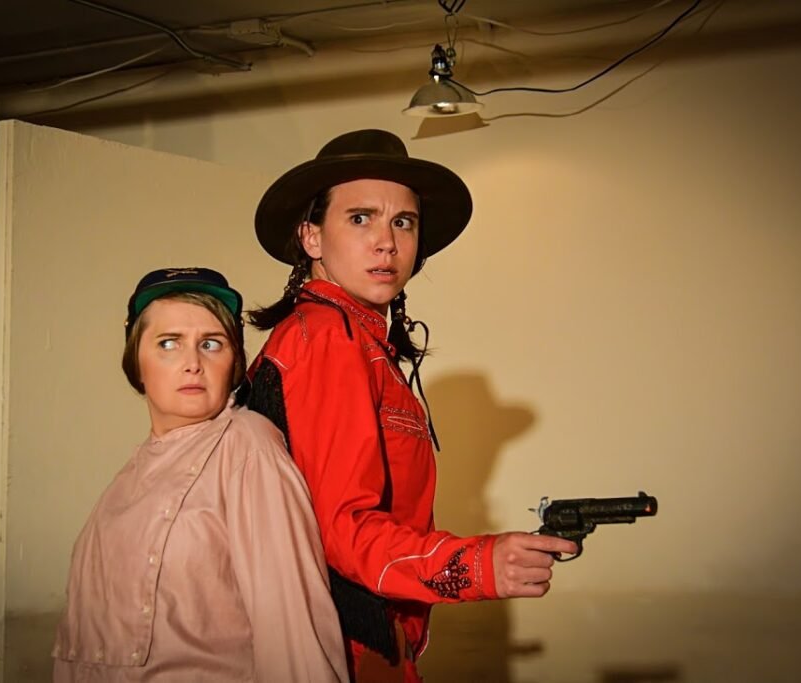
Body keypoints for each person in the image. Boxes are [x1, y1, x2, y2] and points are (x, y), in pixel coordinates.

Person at [245, 130, 579, 682]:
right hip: (346, 639)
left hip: (366, 628)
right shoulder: (329, 337)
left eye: (403, 222)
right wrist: (478, 565)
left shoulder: (356, 339)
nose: (387, 242)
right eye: (360, 218)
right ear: (311, 236)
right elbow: (341, 530)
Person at [52, 267, 349, 683]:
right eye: (168, 343)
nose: (193, 363)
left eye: (211, 344)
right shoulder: (128, 477)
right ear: (136, 361)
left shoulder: (247, 446)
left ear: (234, 362)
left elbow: (290, 624)